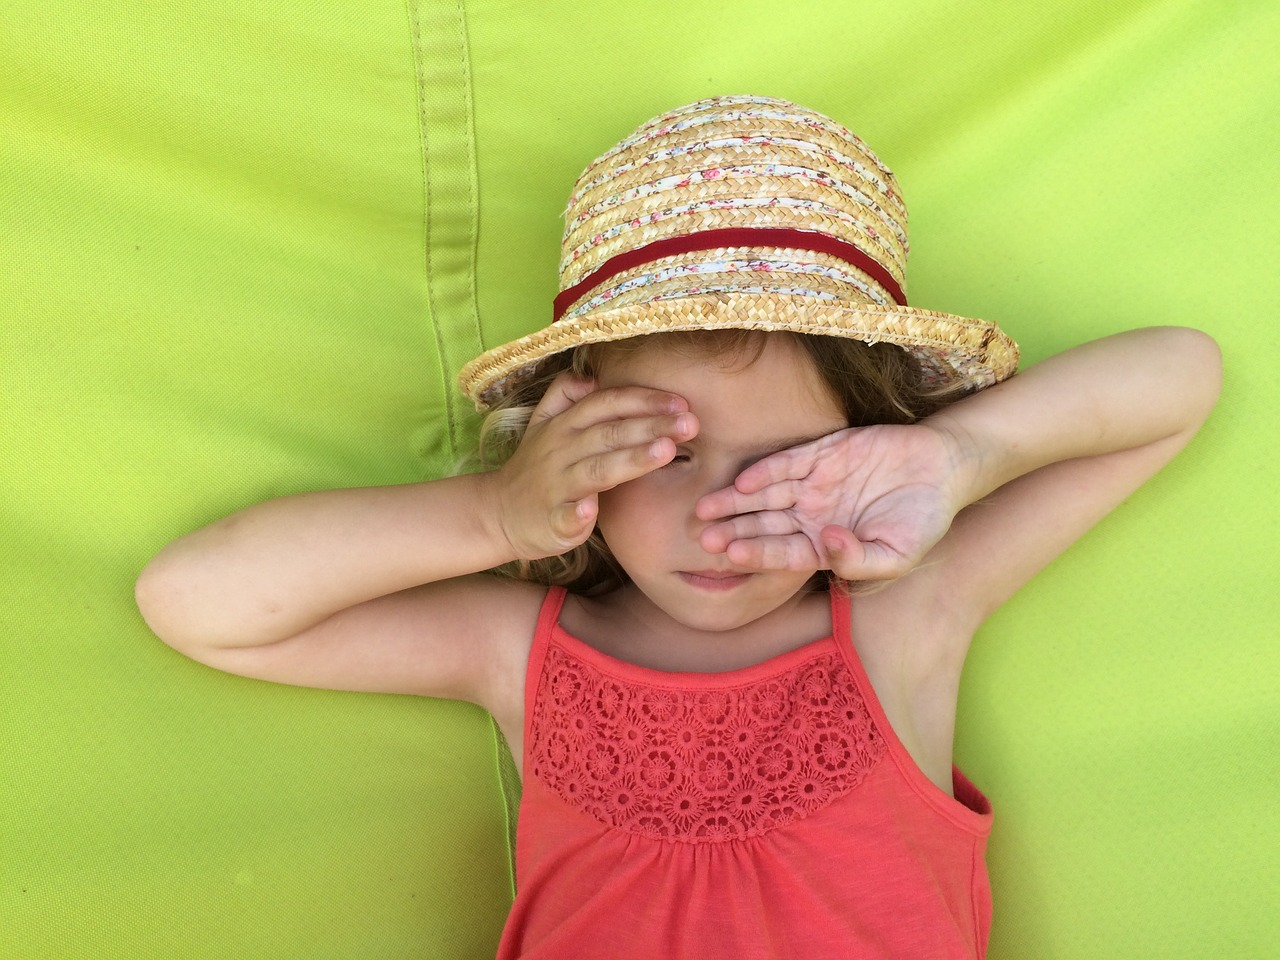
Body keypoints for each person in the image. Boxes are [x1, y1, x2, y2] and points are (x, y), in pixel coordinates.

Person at [135, 96, 1221, 959]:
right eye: (660, 453)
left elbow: (1179, 375)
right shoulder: (520, 650)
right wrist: (493, 511)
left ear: (861, 443)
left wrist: (954, 459)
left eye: (783, 464)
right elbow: (196, 602)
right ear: (567, 435)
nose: (718, 516)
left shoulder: (903, 613)